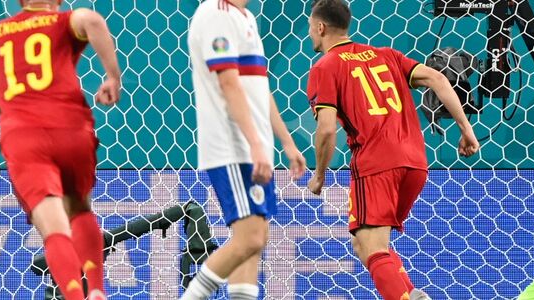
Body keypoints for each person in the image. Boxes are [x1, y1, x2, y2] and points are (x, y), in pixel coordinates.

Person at [304, 1, 480, 299]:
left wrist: (319, 174)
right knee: (367, 245)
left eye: (310, 28)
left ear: (320, 27)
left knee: (371, 246)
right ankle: (411, 294)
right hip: (415, 164)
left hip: (375, 164)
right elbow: (438, 78)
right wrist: (466, 129)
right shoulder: (386, 55)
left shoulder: (325, 67)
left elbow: (326, 129)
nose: (310, 34)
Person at [0, 0, 120, 299]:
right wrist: (112, 77)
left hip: (24, 136)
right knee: (80, 207)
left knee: (54, 228)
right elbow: (93, 21)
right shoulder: (63, 22)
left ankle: (74, 296)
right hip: (70, 129)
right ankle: (97, 289)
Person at [182, 0, 306, 299]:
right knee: (250, 238)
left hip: (253, 146)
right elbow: (228, 83)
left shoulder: (246, 16)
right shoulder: (215, 13)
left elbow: (259, 85)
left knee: (253, 241)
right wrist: (254, 145)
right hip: (232, 146)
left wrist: (286, 142)